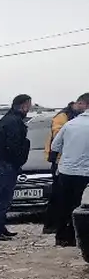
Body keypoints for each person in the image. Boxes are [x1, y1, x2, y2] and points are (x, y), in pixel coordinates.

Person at [0, 93, 34, 241]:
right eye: (28, 105)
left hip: (5, 163)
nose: (29, 108)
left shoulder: (11, 119)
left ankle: (0, 227)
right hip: (5, 164)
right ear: (23, 105)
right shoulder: (13, 122)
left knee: (5, 198)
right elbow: (13, 145)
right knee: (4, 199)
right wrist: (18, 161)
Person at [45, 94, 87, 240]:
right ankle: (79, 237)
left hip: (66, 171)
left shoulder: (69, 124)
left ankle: (62, 236)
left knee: (64, 203)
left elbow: (55, 145)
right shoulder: (65, 118)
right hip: (85, 172)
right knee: (81, 206)